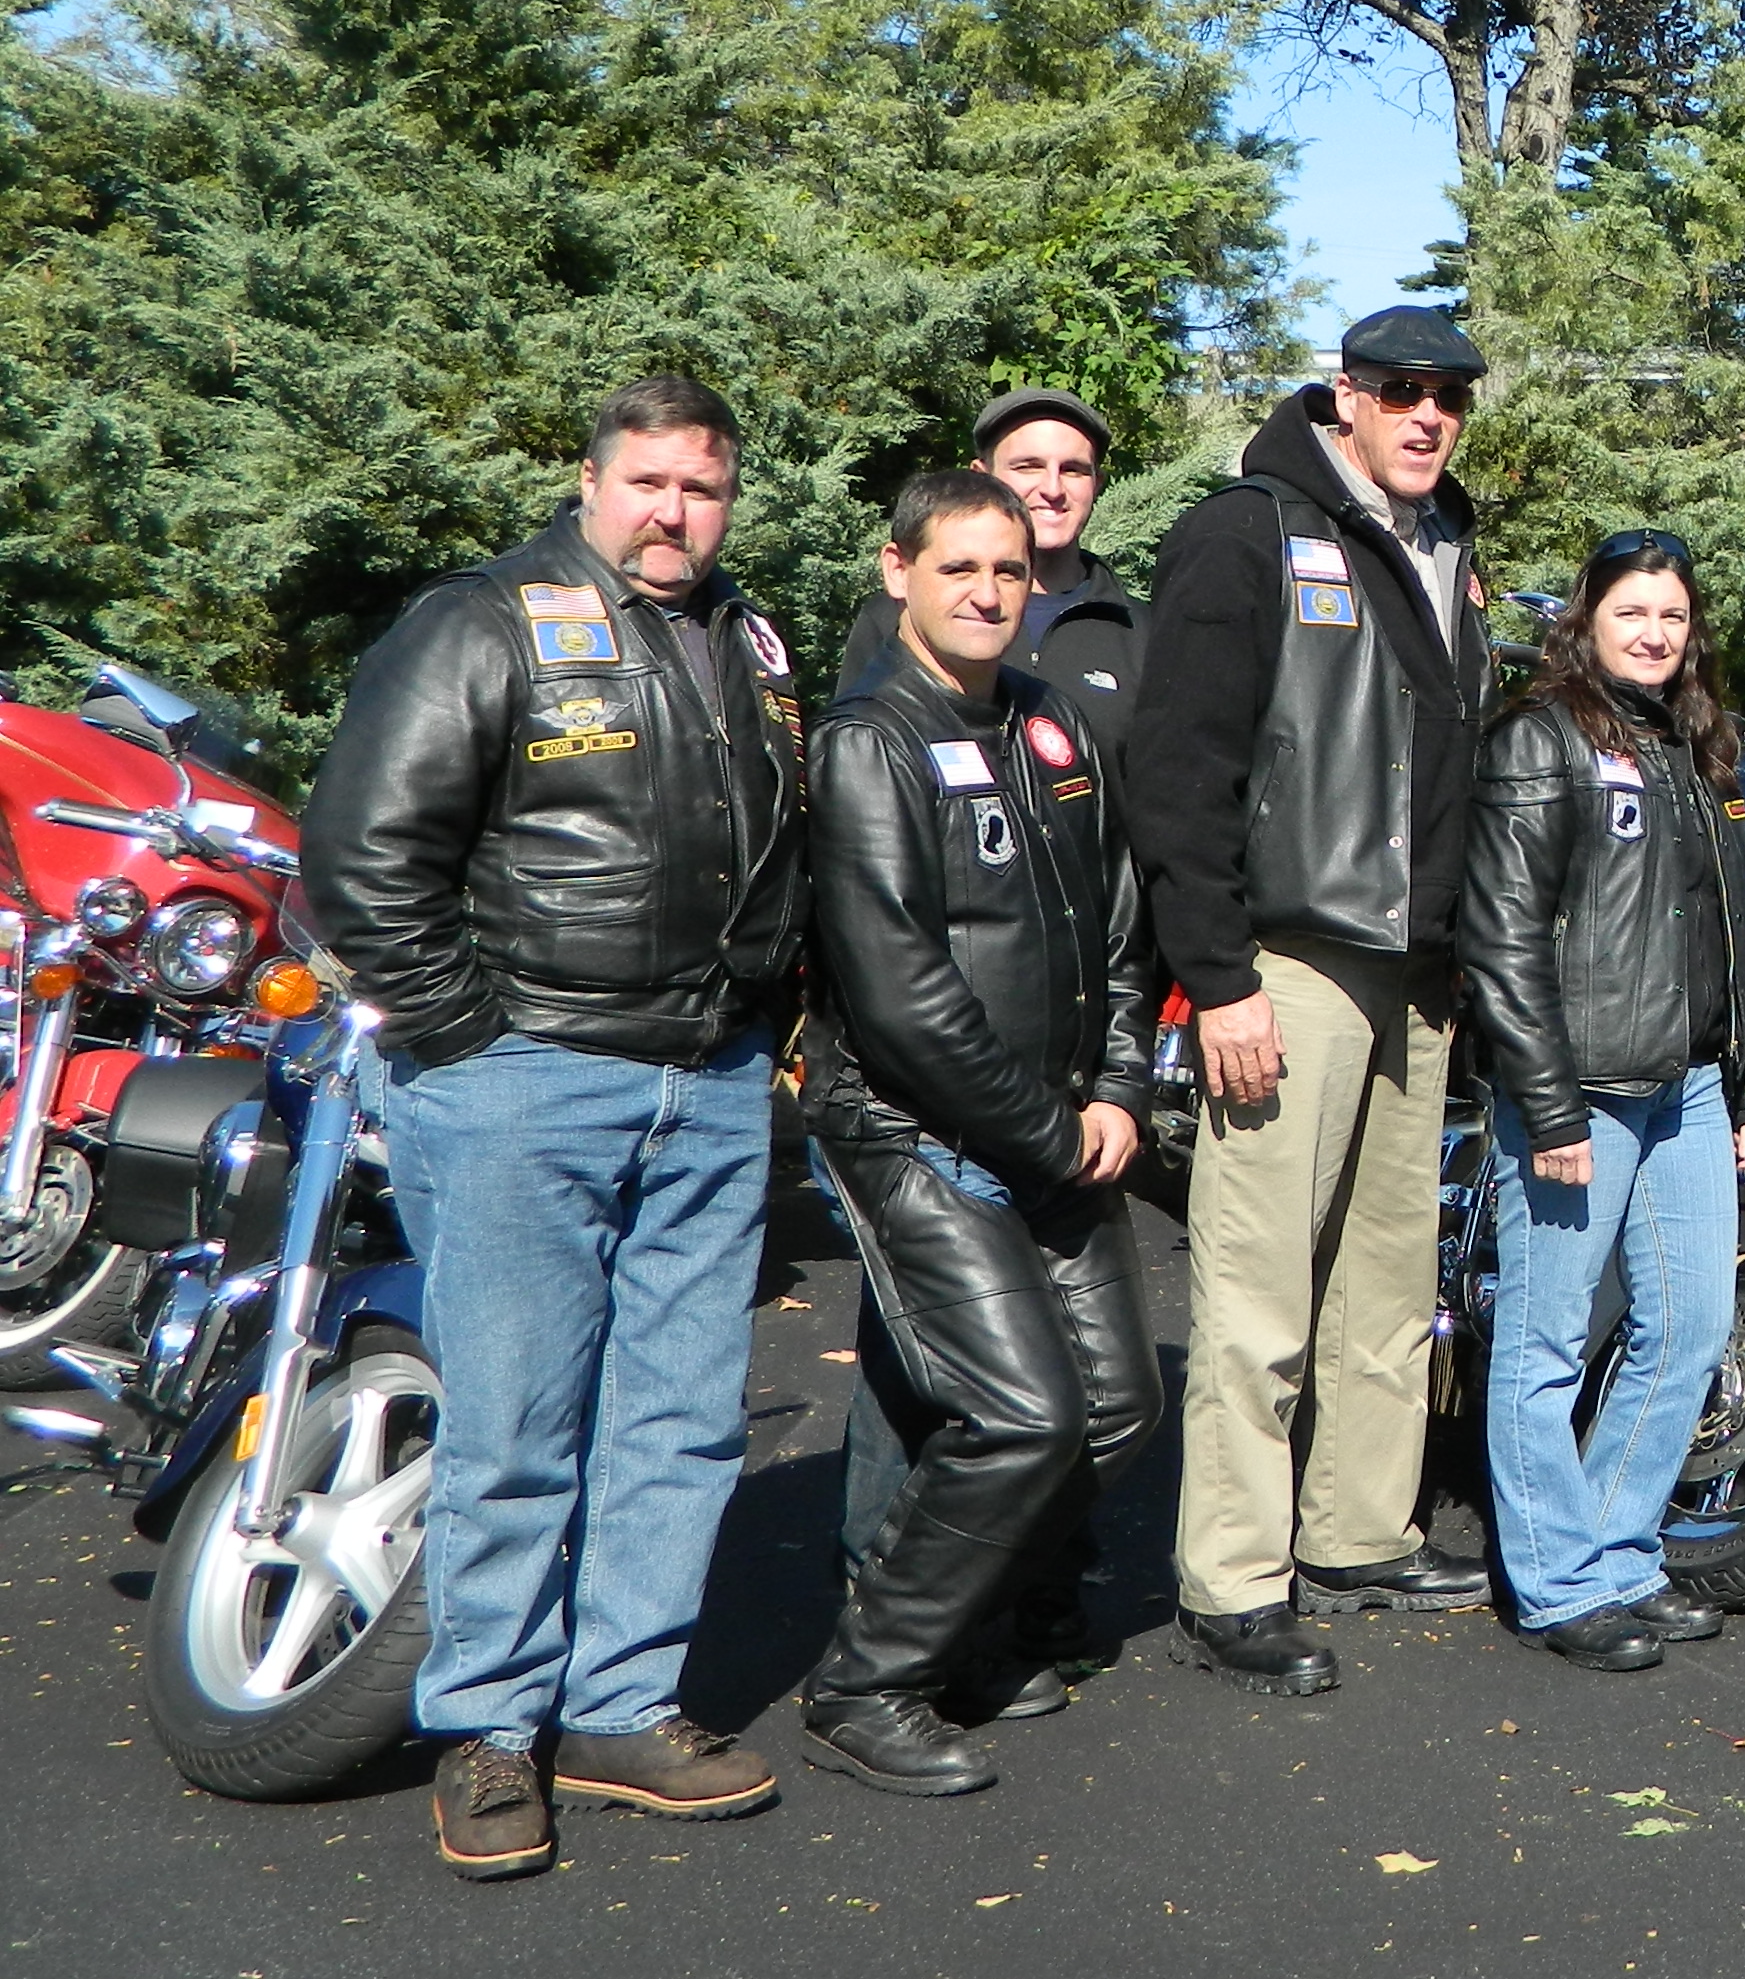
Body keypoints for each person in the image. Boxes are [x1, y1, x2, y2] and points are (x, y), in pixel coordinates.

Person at [303, 372, 810, 1881]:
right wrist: (467, 1038)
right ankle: (486, 1729)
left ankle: (621, 1706)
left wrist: (763, 1027)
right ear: (591, 480)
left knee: (680, 1414)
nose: (673, 514)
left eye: (701, 488)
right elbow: (362, 853)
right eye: (647, 482)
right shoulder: (489, 619)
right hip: (529, 1078)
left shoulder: (751, 639)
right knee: (517, 1422)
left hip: (707, 1082)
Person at [1123, 309, 1498, 1696]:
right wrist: (1216, 977)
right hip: (1285, 959)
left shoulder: (1445, 539)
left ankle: (1357, 1534)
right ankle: (1233, 1580)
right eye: (1399, 392)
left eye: (1448, 396)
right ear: (1344, 395)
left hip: (1416, 974)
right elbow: (1181, 768)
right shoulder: (1250, 530)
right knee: (1259, 1286)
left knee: (1389, 1282)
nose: (1426, 416)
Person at [796, 471, 1159, 1795]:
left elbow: (1118, 921)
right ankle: (867, 1681)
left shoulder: (1050, 721)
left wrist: (1119, 1085)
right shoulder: (865, 743)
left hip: (1068, 1127)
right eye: (960, 569)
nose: (988, 594)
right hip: (919, 1135)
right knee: (1019, 1415)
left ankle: (961, 1627)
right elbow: (897, 998)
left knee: (1118, 1412)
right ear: (900, 573)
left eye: (1007, 572)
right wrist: (1051, 1134)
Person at [1459, 533, 1745, 1674]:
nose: (1654, 633)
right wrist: (1546, 1109)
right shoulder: (1538, 737)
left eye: (1673, 616)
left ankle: (1615, 1552)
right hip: (1580, 1091)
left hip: (1689, 1088)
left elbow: (1729, 937)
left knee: (1690, 1328)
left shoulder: (1698, 745)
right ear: (1588, 618)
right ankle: (1557, 1585)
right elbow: (1499, 939)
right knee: (1546, 1342)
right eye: (1632, 611)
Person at [838, 387, 1148, 732]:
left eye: (1073, 470)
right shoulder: (901, 616)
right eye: (1028, 466)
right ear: (981, 475)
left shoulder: (1141, 632)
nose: (1053, 489)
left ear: (1097, 484)